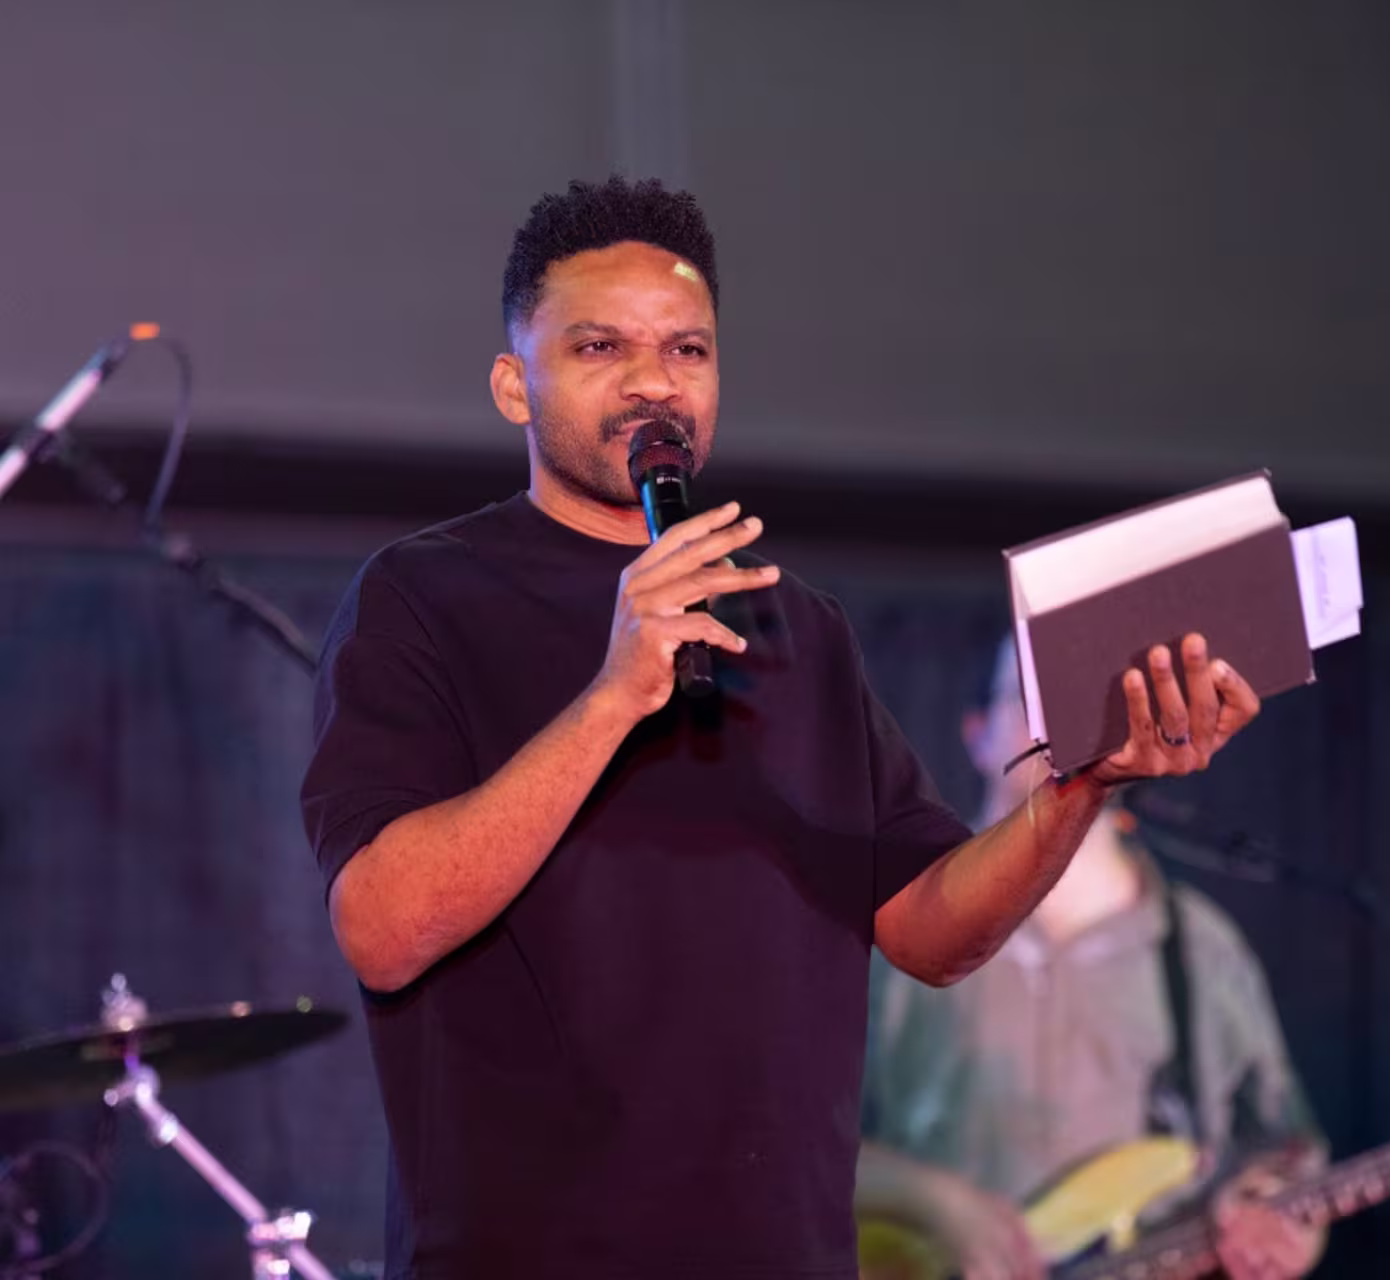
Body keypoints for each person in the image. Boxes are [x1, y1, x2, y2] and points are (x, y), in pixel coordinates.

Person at [299, 176, 1264, 1279]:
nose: (653, 383)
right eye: (601, 347)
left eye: (689, 351)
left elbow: (927, 928)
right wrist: (615, 691)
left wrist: (1080, 787)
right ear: (516, 387)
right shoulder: (425, 597)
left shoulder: (799, 627)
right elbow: (382, 925)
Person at [857, 640, 1327, 1280]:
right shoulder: (891, 926)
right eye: (1029, 699)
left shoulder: (1198, 946)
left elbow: (1287, 1152)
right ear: (977, 732)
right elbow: (791, 1144)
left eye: (1075, 700)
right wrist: (937, 1204)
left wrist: (1280, 1220)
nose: (1057, 726)